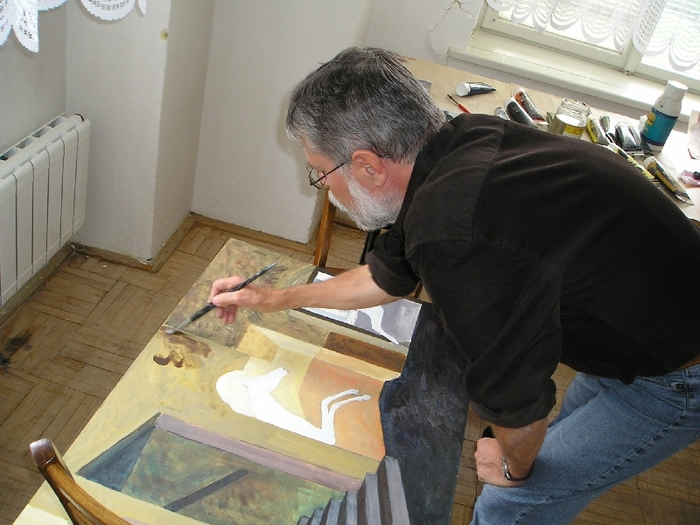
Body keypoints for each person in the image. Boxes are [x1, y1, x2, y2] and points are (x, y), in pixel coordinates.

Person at [208, 47, 700, 524]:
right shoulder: (456, 145)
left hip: (677, 373)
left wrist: (512, 467)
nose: (323, 187)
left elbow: (520, 408)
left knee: (513, 502)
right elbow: (385, 277)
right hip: (641, 321)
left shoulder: (454, 232)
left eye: (321, 172)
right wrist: (277, 298)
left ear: (368, 166)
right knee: (556, 440)